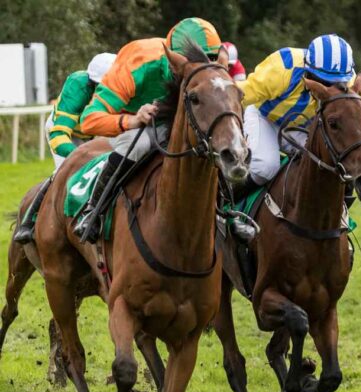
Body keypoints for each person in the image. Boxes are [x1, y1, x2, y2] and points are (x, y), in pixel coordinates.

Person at [72, 17, 222, 243]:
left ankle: (228, 214)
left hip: (176, 119)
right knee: (141, 143)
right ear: (173, 61)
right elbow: (89, 121)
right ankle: (93, 211)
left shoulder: (212, 61)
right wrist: (131, 122)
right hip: (134, 122)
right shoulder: (138, 64)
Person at [237, 33, 361, 204]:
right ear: (308, 72)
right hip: (265, 118)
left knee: (334, 162)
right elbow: (242, 93)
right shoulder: (284, 66)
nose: (329, 90)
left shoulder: (350, 85)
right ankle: (226, 206)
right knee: (266, 167)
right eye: (323, 81)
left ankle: (336, 222)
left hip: (301, 127)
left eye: (336, 84)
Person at [14, 53, 116, 244]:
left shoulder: (125, 83)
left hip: (96, 132)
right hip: (66, 132)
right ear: (92, 82)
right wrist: (80, 157)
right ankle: (29, 220)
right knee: (64, 174)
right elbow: (58, 136)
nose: (106, 92)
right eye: (101, 87)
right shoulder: (77, 86)